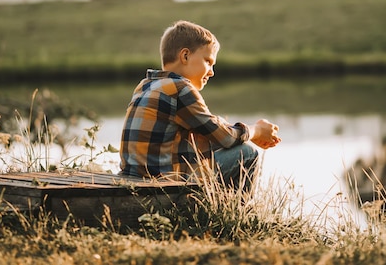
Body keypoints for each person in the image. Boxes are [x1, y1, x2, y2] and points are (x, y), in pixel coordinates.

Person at [119, 20, 280, 190]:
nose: (212, 72)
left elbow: (209, 131)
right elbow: (225, 138)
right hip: (162, 183)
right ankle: (235, 213)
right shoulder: (181, 88)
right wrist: (256, 130)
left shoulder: (146, 85)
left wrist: (231, 129)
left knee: (219, 148)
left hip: (135, 177)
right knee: (246, 154)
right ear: (185, 56)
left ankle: (216, 205)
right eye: (208, 61)